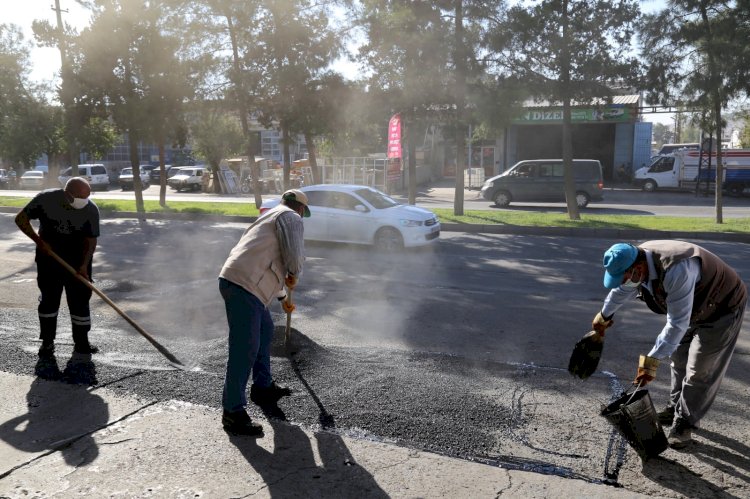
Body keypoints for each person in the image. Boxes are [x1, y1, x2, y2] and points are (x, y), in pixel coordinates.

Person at [593, 241, 746, 449]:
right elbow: (622, 290)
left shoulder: (676, 269)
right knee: (678, 359)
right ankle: (675, 408)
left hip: (722, 307)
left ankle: (685, 423)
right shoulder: (634, 261)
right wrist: (604, 316)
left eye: (627, 276)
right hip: (691, 309)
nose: (625, 282)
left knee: (699, 370)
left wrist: (650, 362)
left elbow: (676, 324)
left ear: (638, 268)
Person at [218, 189, 309, 436]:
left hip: (241, 283)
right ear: (300, 208)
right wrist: (294, 274)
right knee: (244, 348)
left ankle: (263, 386)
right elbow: (294, 259)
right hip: (244, 286)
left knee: (265, 331)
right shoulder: (291, 217)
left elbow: (266, 259)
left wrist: (281, 298)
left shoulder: (269, 216)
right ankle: (233, 412)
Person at [15, 177, 101, 356]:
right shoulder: (46, 199)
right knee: (49, 301)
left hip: (78, 263)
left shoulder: (91, 209)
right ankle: (47, 343)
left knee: (80, 301)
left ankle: (82, 343)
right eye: (80, 197)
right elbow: (21, 219)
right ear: (67, 194)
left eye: (87, 196)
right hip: (49, 261)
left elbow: (91, 241)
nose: (84, 201)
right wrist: (39, 241)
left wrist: (84, 265)